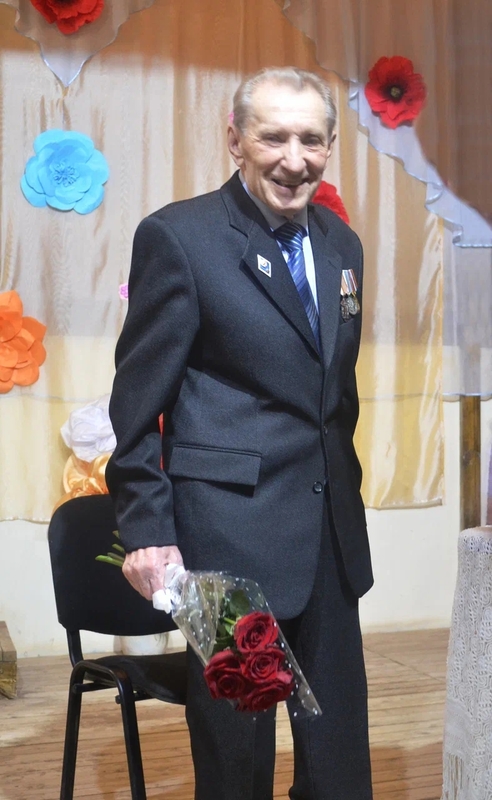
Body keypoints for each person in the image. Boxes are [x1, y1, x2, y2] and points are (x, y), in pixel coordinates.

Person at [106, 66, 374, 800]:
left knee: (340, 766)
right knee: (237, 770)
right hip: (226, 548)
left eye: (311, 140)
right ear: (235, 141)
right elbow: (136, 404)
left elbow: (335, 396)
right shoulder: (180, 238)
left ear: (330, 145)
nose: (295, 158)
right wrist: (147, 530)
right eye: (273, 137)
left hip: (328, 543)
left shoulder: (343, 246)